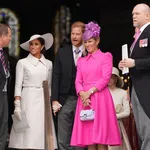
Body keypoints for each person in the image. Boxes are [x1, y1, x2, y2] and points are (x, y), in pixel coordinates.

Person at [70, 21, 121, 150]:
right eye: (85, 42)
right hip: (85, 101)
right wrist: (82, 94)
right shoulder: (81, 61)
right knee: (89, 139)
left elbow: (105, 78)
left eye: (90, 41)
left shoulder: (106, 57)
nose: (87, 45)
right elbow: (77, 81)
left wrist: (89, 92)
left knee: (101, 138)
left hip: (100, 98)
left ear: (97, 41)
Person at [8, 33, 58, 149]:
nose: (33, 47)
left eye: (36, 44)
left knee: (41, 133)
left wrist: (51, 103)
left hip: (43, 100)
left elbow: (49, 85)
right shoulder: (22, 62)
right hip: (28, 99)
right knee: (28, 135)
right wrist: (17, 105)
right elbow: (17, 85)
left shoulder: (49, 64)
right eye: (31, 44)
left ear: (42, 46)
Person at [118, 3, 150, 150]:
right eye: (132, 14)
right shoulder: (139, 34)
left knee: (147, 129)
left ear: (147, 15)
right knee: (141, 130)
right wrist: (126, 64)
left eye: (137, 13)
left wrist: (135, 62)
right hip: (136, 87)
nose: (134, 16)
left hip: (146, 88)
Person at [51, 21, 86, 150]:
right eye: (72, 34)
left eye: (78, 34)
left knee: (81, 137)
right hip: (64, 100)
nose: (74, 37)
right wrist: (54, 99)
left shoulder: (89, 52)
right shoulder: (62, 52)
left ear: (84, 35)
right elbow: (56, 76)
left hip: (83, 99)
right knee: (63, 137)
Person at [108, 67, 131, 150]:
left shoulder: (123, 93)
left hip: (117, 125)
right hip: (103, 125)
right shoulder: (102, 93)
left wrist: (113, 116)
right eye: (107, 76)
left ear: (116, 78)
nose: (109, 79)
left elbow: (127, 112)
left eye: (112, 76)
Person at [0, 23, 12, 150]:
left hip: (3, 94)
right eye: (9, 35)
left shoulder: (4, 53)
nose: (10, 38)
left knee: (3, 127)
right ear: (2, 36)